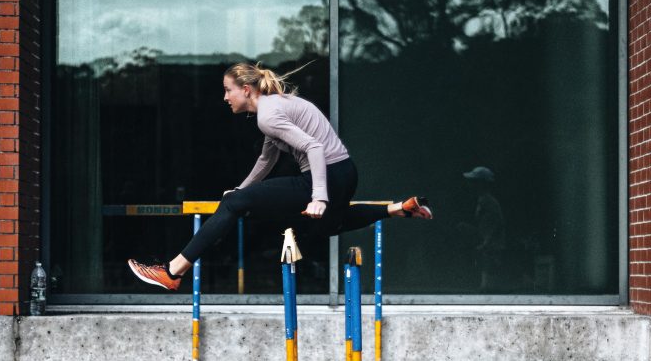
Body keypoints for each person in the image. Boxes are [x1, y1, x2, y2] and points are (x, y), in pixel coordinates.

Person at [127, 62, 431, 290]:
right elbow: (266, 159)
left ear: (245, 90)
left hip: (324, 175)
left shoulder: (268, 114)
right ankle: (397, 209)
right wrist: (240, 190)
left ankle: (173, 271)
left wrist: (319, 197)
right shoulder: (275, 108)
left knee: (237, 207)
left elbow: (313, 147)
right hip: (344, 172)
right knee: (327, 225)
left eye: (227, 90)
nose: (224, 97)